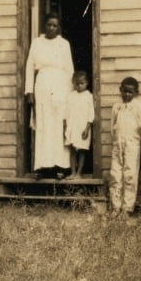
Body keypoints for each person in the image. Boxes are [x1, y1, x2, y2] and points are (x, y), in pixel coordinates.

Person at [25, 13, 74, 179]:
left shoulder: (64, 44)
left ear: (58, 27)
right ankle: (42, 166)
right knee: (44, 124)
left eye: (55, 25)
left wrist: (71, 94)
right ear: (44, 26)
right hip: (43, 86)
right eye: (49, 25)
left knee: (59, 124)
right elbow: (30, 67)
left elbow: (69, 70)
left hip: (61, 86)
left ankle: (61, 166)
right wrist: (29, 91)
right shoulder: (37, 43)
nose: (51, 28)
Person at [109, 76, 141, 217]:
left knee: (130, 175)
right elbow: (112, 127)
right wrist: (116, 142)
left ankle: (127, 208)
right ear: (120, 90)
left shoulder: (139, 107)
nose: (127, 95)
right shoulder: (116, 107)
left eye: (130, 92)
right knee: (116, 175)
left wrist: (140, 147)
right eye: (125, 91)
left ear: (135, 92)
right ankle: (116, 206)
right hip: (117, 144)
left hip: (133, 145)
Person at [64, 70, 95, 179]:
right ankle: (73, 172)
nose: (79, 86)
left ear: (87, 83)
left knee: (81, 150)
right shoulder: (71, 96)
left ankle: (79, 173)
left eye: (82, 83)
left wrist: (87, 128)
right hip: (73, 126)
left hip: (82, 127)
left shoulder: (89, 96)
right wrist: (66, 126)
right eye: (77, 83)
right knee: (73, 150)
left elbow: (91, 113)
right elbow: (66, 112)